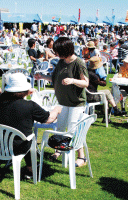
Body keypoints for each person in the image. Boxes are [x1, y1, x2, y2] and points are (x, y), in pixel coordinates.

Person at [0, 73, 62, 178]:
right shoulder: (30, 106)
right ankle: (30, 169)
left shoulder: (2, 99)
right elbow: (48, 119)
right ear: (25, 90)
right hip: (19, 147)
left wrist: (24, 93)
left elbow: (14, 98)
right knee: (29, 138)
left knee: (5, 134)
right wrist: (56, 110)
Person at [35, 37, 89, 167]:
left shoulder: (79, 63)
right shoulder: (61, 62)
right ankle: (59, 150)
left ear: (66, 50)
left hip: (76, 103)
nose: (56, 54)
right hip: (63, 102)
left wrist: (73, 81)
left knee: (72, 129)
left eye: (57, 51)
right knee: (60, 127)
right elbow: (55, 79)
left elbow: (85, 83)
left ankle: (81, 157)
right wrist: (42, 77)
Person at [87, 56, 126, 123]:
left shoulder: (86, 72)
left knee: (106, 93)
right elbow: (104, 84)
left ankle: (112, 111)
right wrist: (101, 79)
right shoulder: (94, 76)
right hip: (91, 95)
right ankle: (114, 110)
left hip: (86, 93)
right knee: (106, 94)